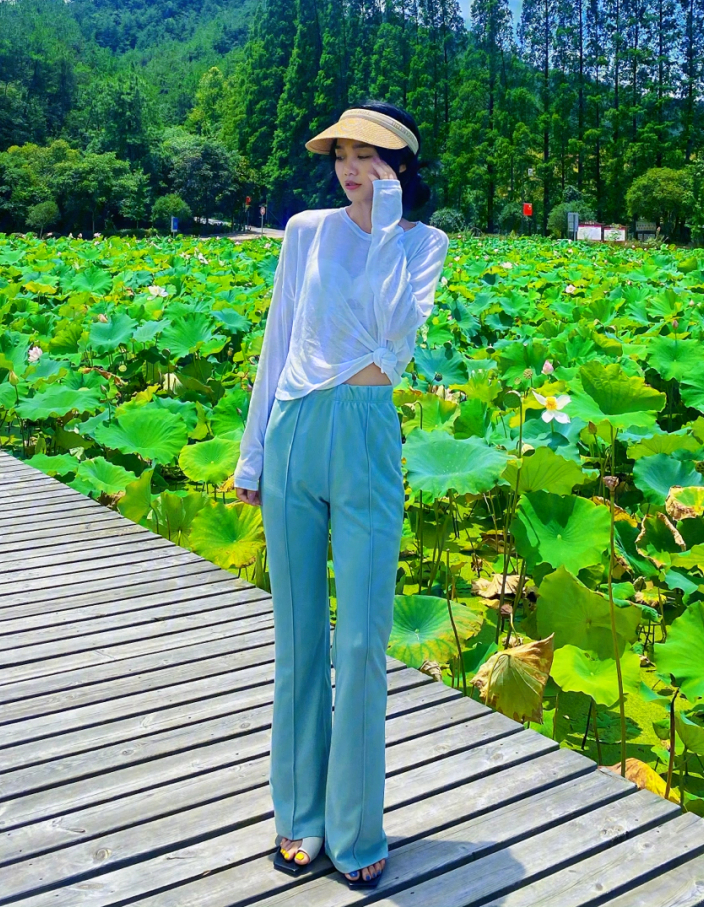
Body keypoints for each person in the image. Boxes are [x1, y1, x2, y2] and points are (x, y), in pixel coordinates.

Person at [235, 102, 450, 889]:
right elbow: (278, 335)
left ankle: (357, 829)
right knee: (299, 641)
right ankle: (298, 817)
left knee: (361, 642)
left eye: (371, 155)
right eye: (344, 154)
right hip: (295, 430)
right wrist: (253, 452)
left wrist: (388, 222)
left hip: (365, 435)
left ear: (400, 167)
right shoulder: (305, 231)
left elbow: (391, 336)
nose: (352, 168)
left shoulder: (425, 246)